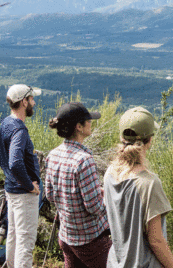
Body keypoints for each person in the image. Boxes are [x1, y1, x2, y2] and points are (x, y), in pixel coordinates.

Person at [104, 107, 173, 268]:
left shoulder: (110, 173)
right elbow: (156, 240)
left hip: (115, 263)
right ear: (150, 140)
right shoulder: (149, 183)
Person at [45, 102, 111, 268]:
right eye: (88, 120)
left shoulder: (53, 155)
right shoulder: (84, 160)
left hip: (66, 237)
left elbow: (50, 195)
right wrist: (110, 200)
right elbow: (94, 208)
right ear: (79, 127)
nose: (91, 123)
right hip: (89, 240)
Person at [0, 84, 42, 268]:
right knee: (26, 242)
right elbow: (15, 162)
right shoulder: (19, 130)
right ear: (23, 102)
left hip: (12, 191)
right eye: (31, 99)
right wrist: (29, 185)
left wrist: (10, 176)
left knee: (13, 235)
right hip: (24, 194)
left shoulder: (6, 122)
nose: (34, 103)